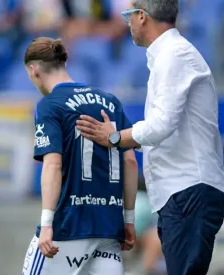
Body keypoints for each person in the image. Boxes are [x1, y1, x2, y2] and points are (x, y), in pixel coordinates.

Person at [76, 0, 224, 274]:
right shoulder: (170, 55)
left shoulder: (174, 55)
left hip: (188, 188)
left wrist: (113, 137)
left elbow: (161, 125)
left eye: (129, 15)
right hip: (182, 190)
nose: (127, 22)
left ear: (143, 17)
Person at [20, 37, 139, 275]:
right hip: (108, 230)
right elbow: (130, 161)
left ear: (33, 70)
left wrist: (46, 225)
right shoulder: (111, 102)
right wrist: (128, 219)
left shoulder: (50, 105)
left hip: (68, 228)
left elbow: (52, 165)